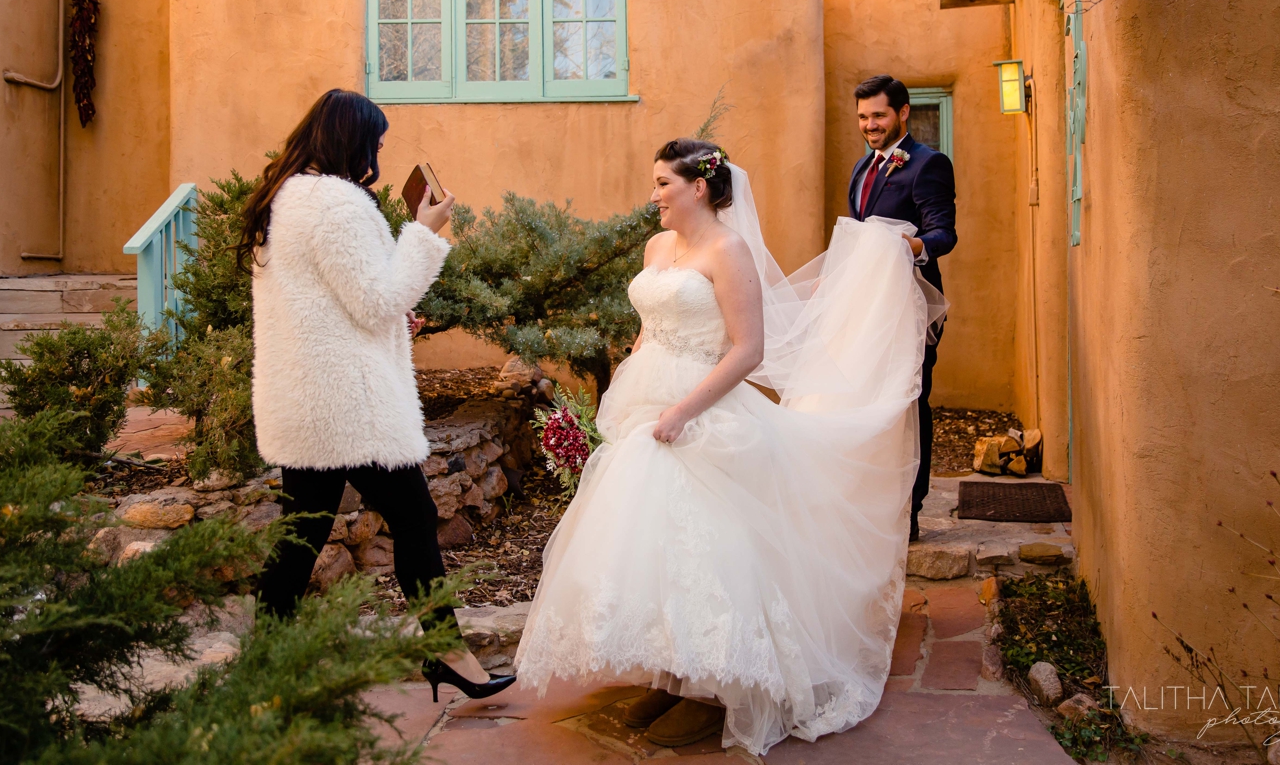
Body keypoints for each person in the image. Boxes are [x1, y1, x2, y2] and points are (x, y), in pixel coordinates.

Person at [515, 139, 944, 755]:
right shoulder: (657, 246)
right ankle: (670, 676)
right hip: (647, 402)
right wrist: (620, 404)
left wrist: (682, 412)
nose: (654, 194)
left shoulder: (729, 249)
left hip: (703, 408)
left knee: (709, 546)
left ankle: (713, 691)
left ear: (699, 187)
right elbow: (646, 334)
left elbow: (748, 349)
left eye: (663, 183)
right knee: (651, 541)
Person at [241, 88, 515, 702]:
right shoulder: (336, 204)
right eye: (377, 143)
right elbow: (377, 299)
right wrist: (423, 232)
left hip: (307, 400)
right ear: (352, 140)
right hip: (350, 406)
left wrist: (394, 318)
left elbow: (331, 302)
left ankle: (263, 665)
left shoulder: (284, 199)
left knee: (302, 533)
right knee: (415, 517)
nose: (380, 155)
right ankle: (446, 652)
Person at [849, 75, 957, 541]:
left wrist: (906, 245)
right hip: (866, 306)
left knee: (909, 403)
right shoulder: (861, 168)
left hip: (911, 306)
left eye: (878, 115)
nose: (870, 125)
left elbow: (943, 234)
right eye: (863, 117)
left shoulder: (928, 164)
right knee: (869, 402)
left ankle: (909, 513)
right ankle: (874, 501)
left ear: (903, 113)